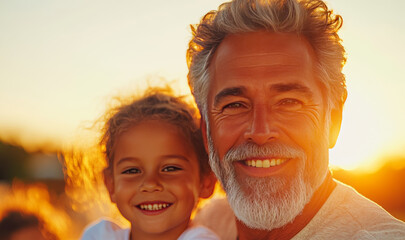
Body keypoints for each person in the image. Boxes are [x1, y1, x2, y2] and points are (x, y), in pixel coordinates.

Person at [186, 0, 405, 239]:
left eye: (289, 102)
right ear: (207, 133)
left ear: (333, 120)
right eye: (235, 105)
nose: (260, 132)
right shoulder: (206, 224)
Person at [81, 88, 219, 240]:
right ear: (111, 184)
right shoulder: (99, 236)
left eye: (170, 168)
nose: (150, 184)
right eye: (132, 171)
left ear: (206, 181)